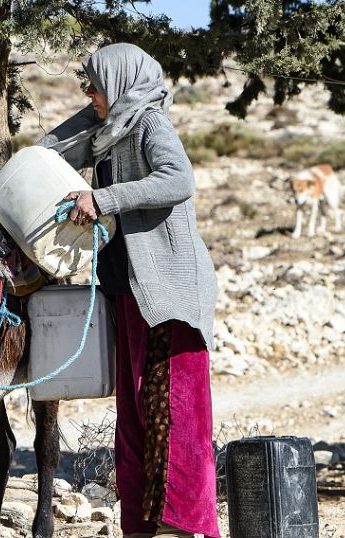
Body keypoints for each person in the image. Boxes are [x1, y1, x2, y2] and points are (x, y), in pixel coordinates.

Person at [36, 43, 220, 538]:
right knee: (137, 414)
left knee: (174, 414)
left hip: (168, 296)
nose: (89, 94)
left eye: (95, 84)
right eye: (86, 85)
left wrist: (104, 198)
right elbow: (50, 149)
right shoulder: (110, 128)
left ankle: (184, 527)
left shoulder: (148, 124)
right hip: (129, 293)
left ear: (120, 83)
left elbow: (178, 179)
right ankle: (144, 525)